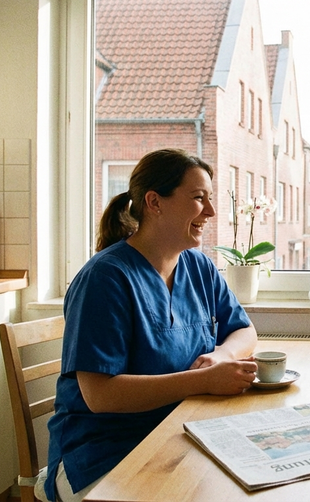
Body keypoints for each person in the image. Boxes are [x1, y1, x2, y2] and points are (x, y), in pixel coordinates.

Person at [42, 149, 259, 502]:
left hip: (178, 434)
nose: (210, 212)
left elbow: (244, 330)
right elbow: (99, 395)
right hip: (103, 451)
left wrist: (222, 355)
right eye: (198, 198)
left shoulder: (198, 267)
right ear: (154, 202)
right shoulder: (105, 278)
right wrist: (202, 380)